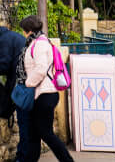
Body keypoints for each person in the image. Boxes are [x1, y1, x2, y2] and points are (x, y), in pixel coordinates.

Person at [19, 15, 73, 162]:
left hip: (45, 94)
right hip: (43, 94)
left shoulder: (39, 45)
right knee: (35, 133)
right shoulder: (41, 42)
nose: (23, 33)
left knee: (45, 133)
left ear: (29, 30)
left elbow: (41, 69)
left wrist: (27, 83)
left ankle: (67, 160)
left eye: (24, 30)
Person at [0, 24, 29, 162]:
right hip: (27, 81)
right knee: (28, 121)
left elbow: (4, 64)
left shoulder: (3, 40)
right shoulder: (13, 36)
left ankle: (23, 157)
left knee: (24, 122)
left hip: (21, 84)